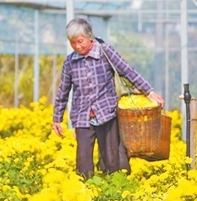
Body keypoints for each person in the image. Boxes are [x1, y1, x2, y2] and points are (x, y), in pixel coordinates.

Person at [52, 18, 164, 178]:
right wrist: (57, 118)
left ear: (90, 37)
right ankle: (86, 195)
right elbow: (63, 90)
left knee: (112, 160)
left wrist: (149, 91)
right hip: (82, 116)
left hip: (106, 114)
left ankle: (113, 193)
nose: (77, 46)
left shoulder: (105, 52)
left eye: (80, 41)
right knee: (83, 164)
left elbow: (128, 71)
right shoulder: (70, 62)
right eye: (73, 43)